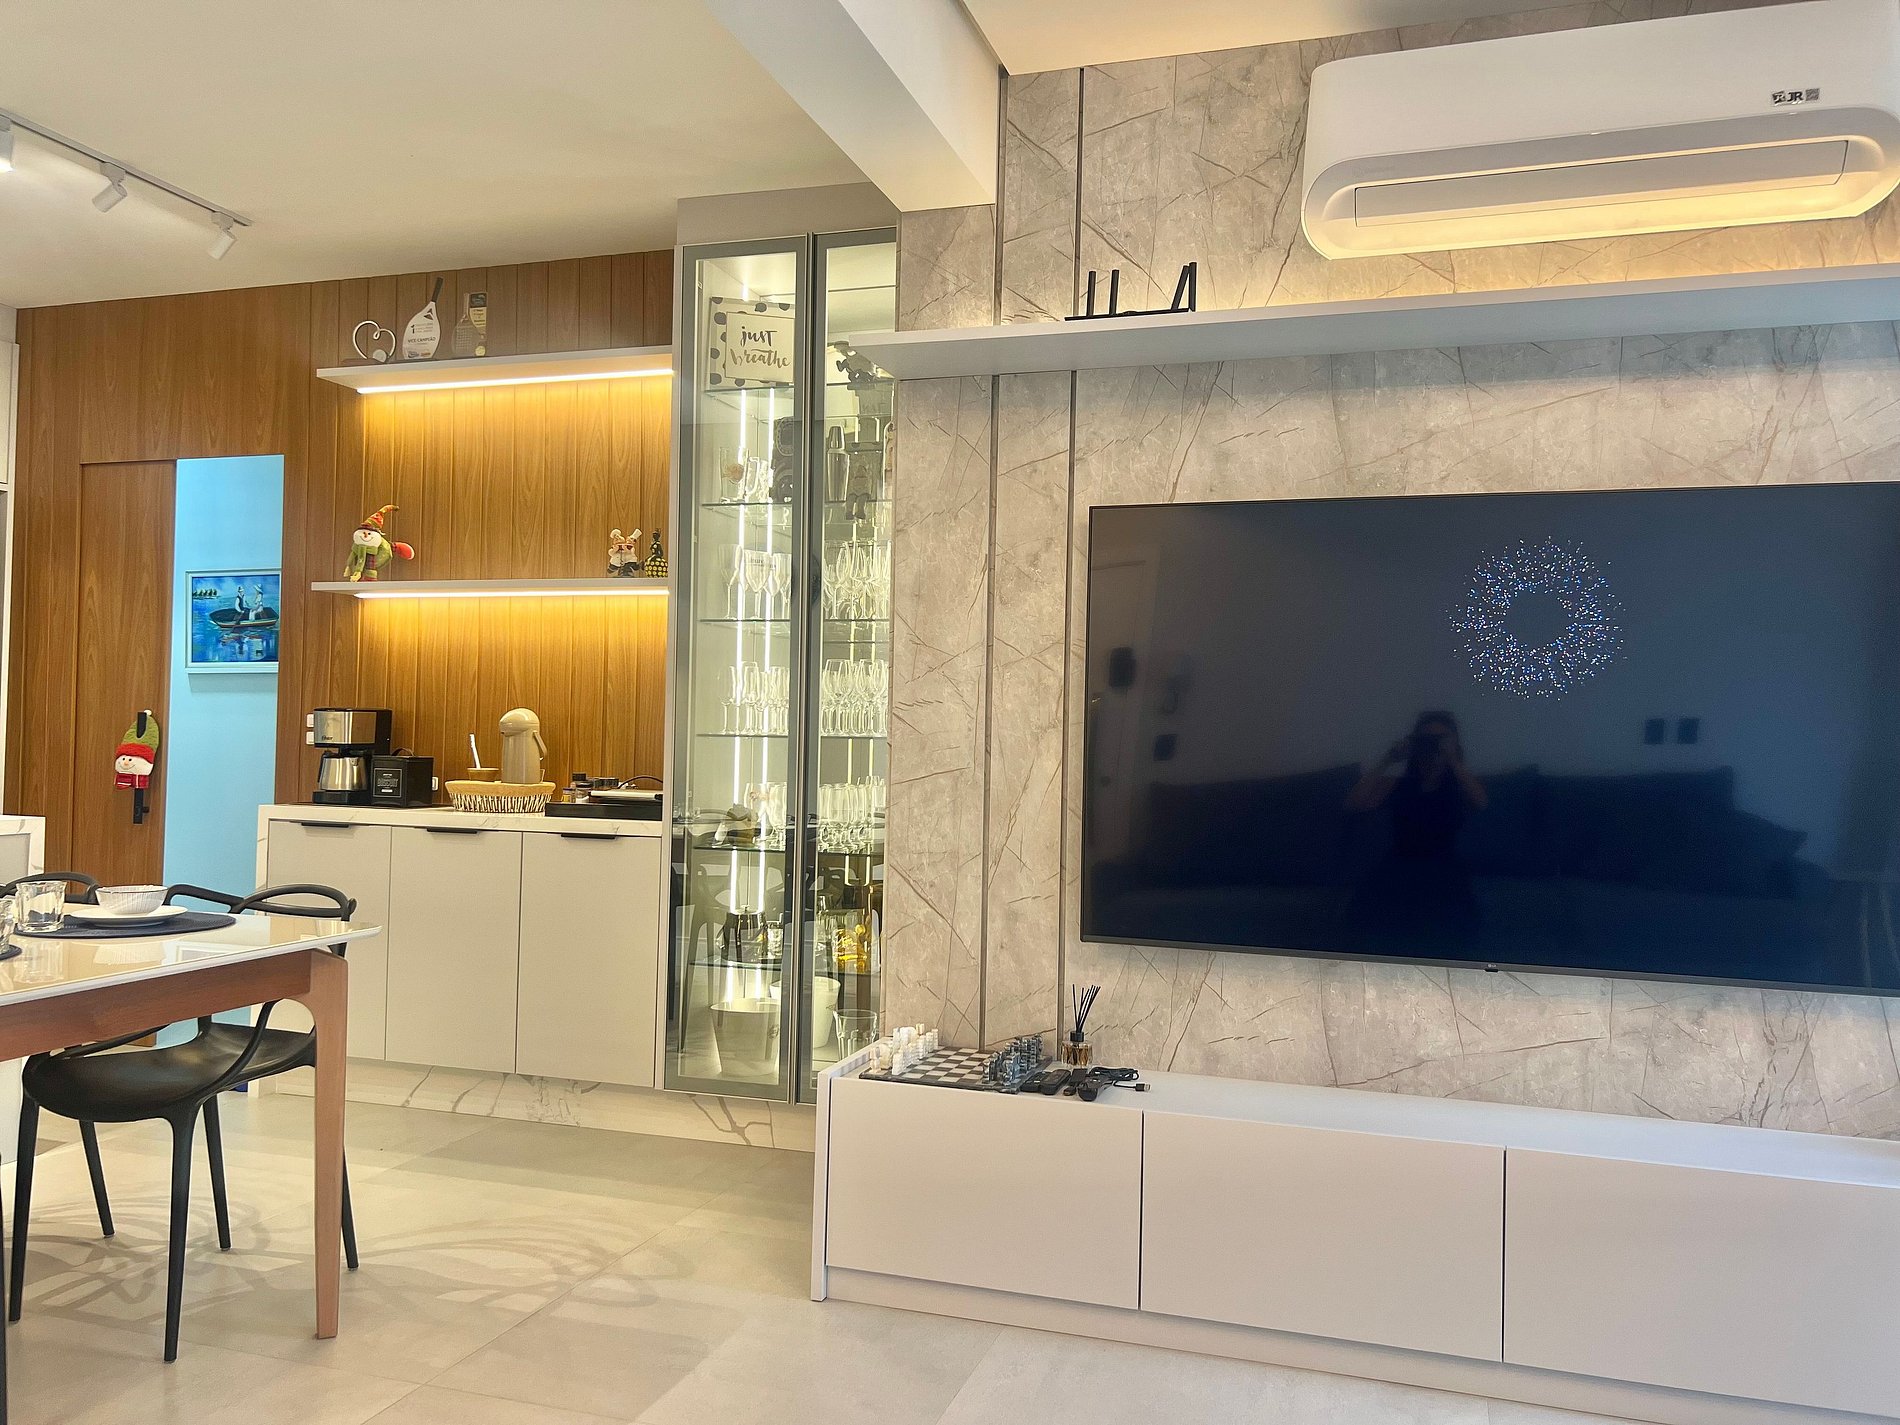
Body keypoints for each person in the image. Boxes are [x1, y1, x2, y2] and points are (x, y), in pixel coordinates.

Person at [1346, 712, 1488, 947]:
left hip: (1444, 868)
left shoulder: (1459, 785)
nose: (1434, 745)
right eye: (1427, 739)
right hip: (1400, 865)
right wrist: (1388, 759)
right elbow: (1354, 803)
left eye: (1441, 739)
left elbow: (1481, 803)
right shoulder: (1398, 784)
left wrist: (1452, 759)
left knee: (1446, 925)